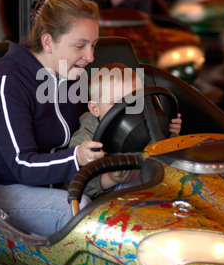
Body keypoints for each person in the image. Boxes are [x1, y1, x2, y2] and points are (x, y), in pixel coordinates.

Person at [0, 0, 107, 237]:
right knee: (79, 212)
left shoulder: (72, 75)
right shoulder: (7, 81)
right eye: (80, 46)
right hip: (5, 188)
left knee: (137, 184)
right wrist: (77, 157)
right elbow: (23, 165)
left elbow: (90, 122)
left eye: (94, 45)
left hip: (61, 181)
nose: (90, 56)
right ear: (48, 42)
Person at [69, 63, 182, 199]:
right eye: (116, 104)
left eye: (133, 102)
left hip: (154, 183)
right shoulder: (86, 139)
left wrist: (171, 135)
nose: (125, 111)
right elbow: (74, 184)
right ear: (95, 109)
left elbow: (163, 154)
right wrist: (108, 179)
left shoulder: (147, 122)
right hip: (113, 200)